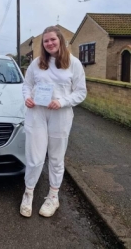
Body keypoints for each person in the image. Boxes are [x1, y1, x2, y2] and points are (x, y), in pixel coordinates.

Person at [20, 26, 87, 218]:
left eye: (53, 40)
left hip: (61, 114)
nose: (49, 43)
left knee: (56, 158)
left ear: (61, 41)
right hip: (37, 113)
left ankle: (53, 196)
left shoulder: (73, 64)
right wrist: (27, 98)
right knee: (35, 157)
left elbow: (81, 92)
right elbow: (27, 86)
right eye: (46, 41)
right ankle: (28, 193)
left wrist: (62, 101)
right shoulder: (36, 63)